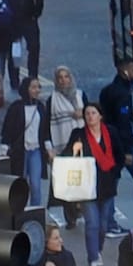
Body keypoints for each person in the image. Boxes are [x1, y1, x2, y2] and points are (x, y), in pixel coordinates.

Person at [62, 103, 124, 266]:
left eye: (93, 113)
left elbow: (120, 155)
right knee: (92, 224)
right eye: (87, 113)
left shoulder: (110, 132)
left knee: (103, 225)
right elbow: (68, 155)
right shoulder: (79, 135)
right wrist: (74, 151)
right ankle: (93, 260)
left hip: (107, 186)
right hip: (87, 187)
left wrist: (115, 173)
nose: (90, 116)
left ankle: (98, 250)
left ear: (100, 116)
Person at [100, 58, 133, 218]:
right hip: (126, 146)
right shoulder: (123, 95)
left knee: (111, 183)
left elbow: (110, 116)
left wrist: (132, 115)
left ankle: (108, 219)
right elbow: (123, 124)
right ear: (124, 71)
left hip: (109, 142)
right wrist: (127, 151)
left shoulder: (107, 91)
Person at [0, 78, 51, 209]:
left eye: (38, 87)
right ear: (26, 89)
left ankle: (35, 211)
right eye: (33, 87)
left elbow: (45, 130)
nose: (37, 90)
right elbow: (8, 129)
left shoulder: (41, 106)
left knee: (36, 185)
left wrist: (49, 148)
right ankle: (19, 211)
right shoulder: (16, 107)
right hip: (20, 152)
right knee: (20, 184)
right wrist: (3, 149)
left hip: (36, 151)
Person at [45, 66, 87, 229]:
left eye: (66, 77)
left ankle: (81, 209)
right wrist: (49, 148)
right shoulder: (52, 99)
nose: (63, 80)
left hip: (82, 145)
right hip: (63, 146)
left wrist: (82, 113)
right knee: (68, 183)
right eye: (60, 78)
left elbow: (93, 113)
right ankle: (70, 217)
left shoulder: (81, 95)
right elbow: (45, 125)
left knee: (83, 181)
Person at [1, 0, 44, 81]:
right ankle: (15, 80)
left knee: (34, 48)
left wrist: (37, 12)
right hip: (13, 23)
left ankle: (33, 76)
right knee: (15, 52)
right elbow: (2, 1)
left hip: (29, 20)